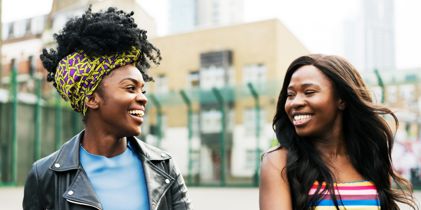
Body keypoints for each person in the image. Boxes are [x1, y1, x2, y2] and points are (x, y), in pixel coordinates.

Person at [23, 7, 191, 210]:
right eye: (130, 88)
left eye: (142, 90)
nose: (142, 99)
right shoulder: (45, 176)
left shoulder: (164, 168)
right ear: (92, 99)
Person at [259, 54, 419, 209]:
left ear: (341, 99)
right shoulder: (278, 162)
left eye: (309, 92)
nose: (295, 102)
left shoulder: (369, 156)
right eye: (290, 95)